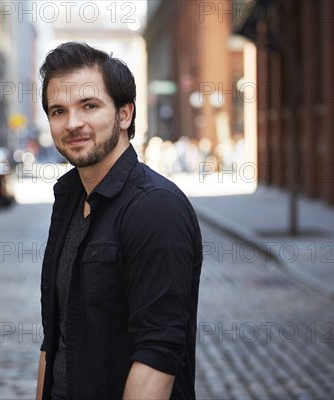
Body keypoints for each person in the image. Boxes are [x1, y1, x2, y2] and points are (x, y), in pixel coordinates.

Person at [36, 42, 203, 400]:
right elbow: (53, 338)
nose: (73, 123)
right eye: (58, 111)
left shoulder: (156, 208)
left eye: (90, 106)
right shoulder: (68, 199)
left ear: (124, 114)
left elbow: (158, 353)